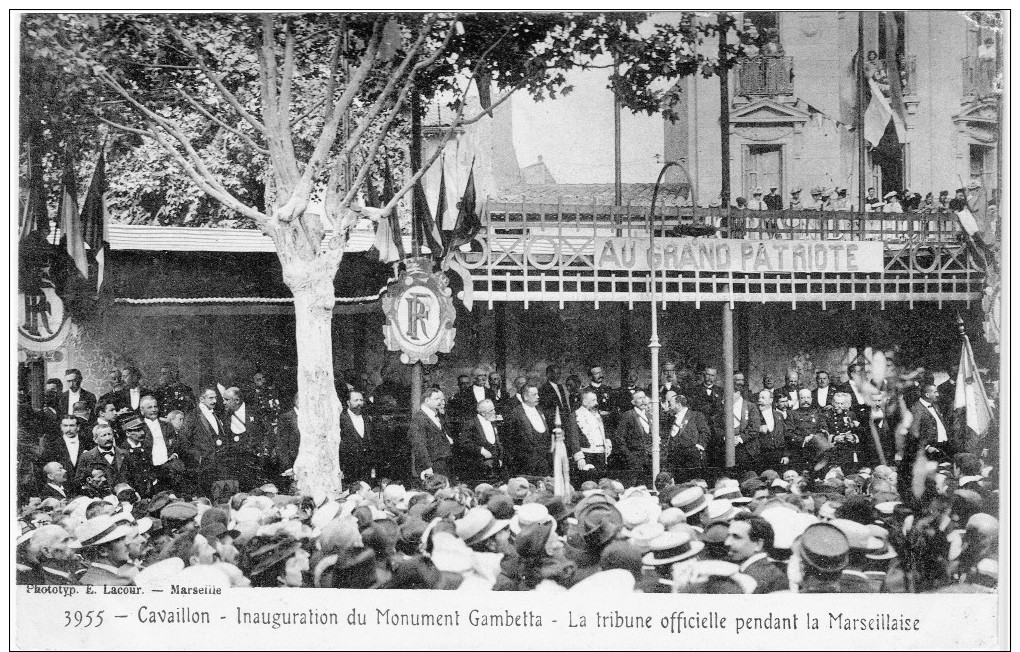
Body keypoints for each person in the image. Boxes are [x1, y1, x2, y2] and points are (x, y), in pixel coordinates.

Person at [178, 386, 226, 492]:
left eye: (215, 398)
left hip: (217, 462)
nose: (214, 401)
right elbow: (183, 439)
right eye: (210, 398)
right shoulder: (193, 415)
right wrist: (197, 456)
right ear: (201, 399)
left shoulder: (215, 414)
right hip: (202, 465)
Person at [725, 514, 788, 593]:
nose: (727, 543)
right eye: (728, 536)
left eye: (736, 537)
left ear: (758, 544)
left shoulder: (754, 578)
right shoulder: (768, 572)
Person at [138, 396, 185, 495]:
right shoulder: (139, 427)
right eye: (149, 407)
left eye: (155, 407)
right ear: (142, 411)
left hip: (168, 466)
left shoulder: (166, 425)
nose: (154, 410)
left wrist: (175, 454)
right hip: (150, 468)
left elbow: (177, 442)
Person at [502, 384, 551, 477]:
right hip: (524, 463)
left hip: (542, 462)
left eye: (537, 394)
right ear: (525, 397)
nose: (538, 397)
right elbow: (509, 439)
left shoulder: (540, 411)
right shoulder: (516, 412)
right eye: (534, 395)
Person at [566, 390, 612, 484]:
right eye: (593, 400)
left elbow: (603, 432)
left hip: (601, 455)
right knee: (588, 484)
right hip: (587, 455)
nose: (597, 403)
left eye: (596, 400)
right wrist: (579, 457)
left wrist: (607, 444)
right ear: (585, 402)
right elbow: (573, 437)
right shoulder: (575, 415)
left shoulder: (597, 415)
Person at [661, 392, 710, 479]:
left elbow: (705, 432)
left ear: (679, 405)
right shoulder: (671, 417)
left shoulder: (696, 415)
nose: (669, 406)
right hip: (676, 458)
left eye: (671, 404)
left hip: (692, 457)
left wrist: (699, 446)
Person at [456, 399, 505, 485]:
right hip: (480, 466)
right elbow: (464, 442)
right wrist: (481, 450)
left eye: (493, 409)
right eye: (491, 410)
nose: (494, 412)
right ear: (483, 413)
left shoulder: (492, 421)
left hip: (495, 466)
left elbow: (497, 441)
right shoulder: (471, 423)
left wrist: (500, 457)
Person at [408, 388, 453, 480]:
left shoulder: (435, 416)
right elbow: (419, 444)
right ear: (427, 400)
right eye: (437, 399)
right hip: (432, 465)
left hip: (442, 463)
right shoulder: (420, 418)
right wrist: (427, 466)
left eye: (440, 399)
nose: (440, 402)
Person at [76, 515, 135, 586]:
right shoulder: (115, 583)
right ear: (102, 551)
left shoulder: (92, 578)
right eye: (119, 539)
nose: (128, 543)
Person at [74, 422, 130, 494]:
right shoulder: (86, 457)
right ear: (95, 439)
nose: (108, 438)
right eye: (103, 435)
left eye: (110, 434)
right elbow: (79, 481)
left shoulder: (124, 454)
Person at [338, 389, 377, 483]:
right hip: (349, 468)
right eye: (356, 400)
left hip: (366, 468)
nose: (359, 403)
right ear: (348, 402)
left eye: (361, 400)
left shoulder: (367, 418)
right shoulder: (341, 419)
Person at [746, 389, 789, 471]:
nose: (760, 400)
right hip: (761, 457)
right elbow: (747, 432)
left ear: (771, 400)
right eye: (759, 398)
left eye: (763, 398)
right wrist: (758, 429)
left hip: (778, 457)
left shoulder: (779, 415)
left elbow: (784, 436)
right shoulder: (753, 416)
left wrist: (785, 455)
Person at [909, 383, 952, 463]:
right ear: (927, 395)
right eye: (935, 392)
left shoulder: (935, 405)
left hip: (943, 445)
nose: (937, 394)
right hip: (931, 449)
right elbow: (914, 432)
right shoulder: (917, 409)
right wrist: (927, 447)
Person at [40, 416, 88, 484]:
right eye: (65, 426)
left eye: (72, 426)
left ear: (78, 427)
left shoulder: (87, 443)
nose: (68, 429)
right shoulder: (52, 445)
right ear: (61, 427)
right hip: (63, 486)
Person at [616, 390, 651, 479]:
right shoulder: (628, 415)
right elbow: (620, 438)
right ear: (633, 402)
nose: (643, 401)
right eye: (639, 398)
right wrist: (630, 457)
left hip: (649, 460)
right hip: (634, 461)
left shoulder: (649, 415)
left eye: (644, 397)